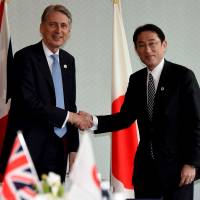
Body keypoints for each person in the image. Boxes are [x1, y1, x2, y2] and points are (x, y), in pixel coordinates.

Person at [80, 24, 200, 199]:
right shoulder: (136, 79)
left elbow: (196, 122)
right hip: (146, 171)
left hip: (177, 170)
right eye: (141, 45)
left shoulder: (183, 76)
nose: (148, 50)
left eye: (152, 43)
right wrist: (93, 120)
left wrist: (192, 163)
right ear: (136, 49)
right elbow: (125, 118)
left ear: (164, 45)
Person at [0, 4, 92, 182]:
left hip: (57, 150)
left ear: (69, 30)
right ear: (42, 27)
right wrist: (70, 117)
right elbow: (28, 102)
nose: (59, 30)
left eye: (64, 26)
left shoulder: (68, 60)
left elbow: (69, 104)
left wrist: (73, 148)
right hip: (27, 150)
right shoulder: (24, 57)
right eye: (53, 24)